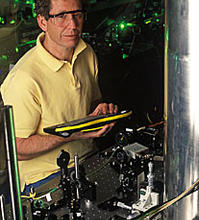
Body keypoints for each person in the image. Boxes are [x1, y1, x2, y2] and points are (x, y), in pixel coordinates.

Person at [0, 0, 118, 193]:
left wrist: (101, 112)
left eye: (77, 14)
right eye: (61, 16)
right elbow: (16, 149)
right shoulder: (24, 78)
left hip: (88, 159)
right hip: (44, 178)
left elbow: (91, 103)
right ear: (42, 22)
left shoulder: (86, 53)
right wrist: (69, 135)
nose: (72, 25)